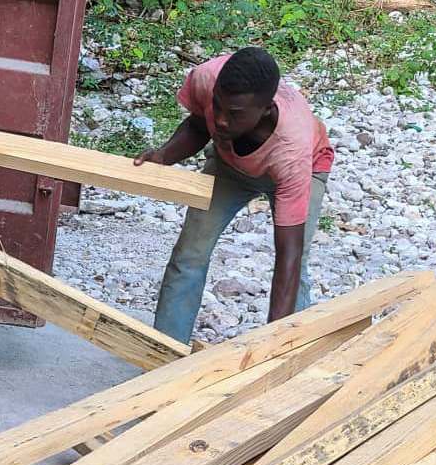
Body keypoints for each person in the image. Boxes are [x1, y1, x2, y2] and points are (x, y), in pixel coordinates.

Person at [133, 47, 335, 344]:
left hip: (305, 169)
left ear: (266, 109)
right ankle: (163, 352)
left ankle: (290, 355)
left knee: (297, 265)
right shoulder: (207, 78)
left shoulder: (292, 150)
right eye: (218, 106)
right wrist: (164, 156)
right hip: (230, 165)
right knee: (189, 254)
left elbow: (286, 259)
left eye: (235, 114)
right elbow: (199, 124)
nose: (223, 120)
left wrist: (269, 350)